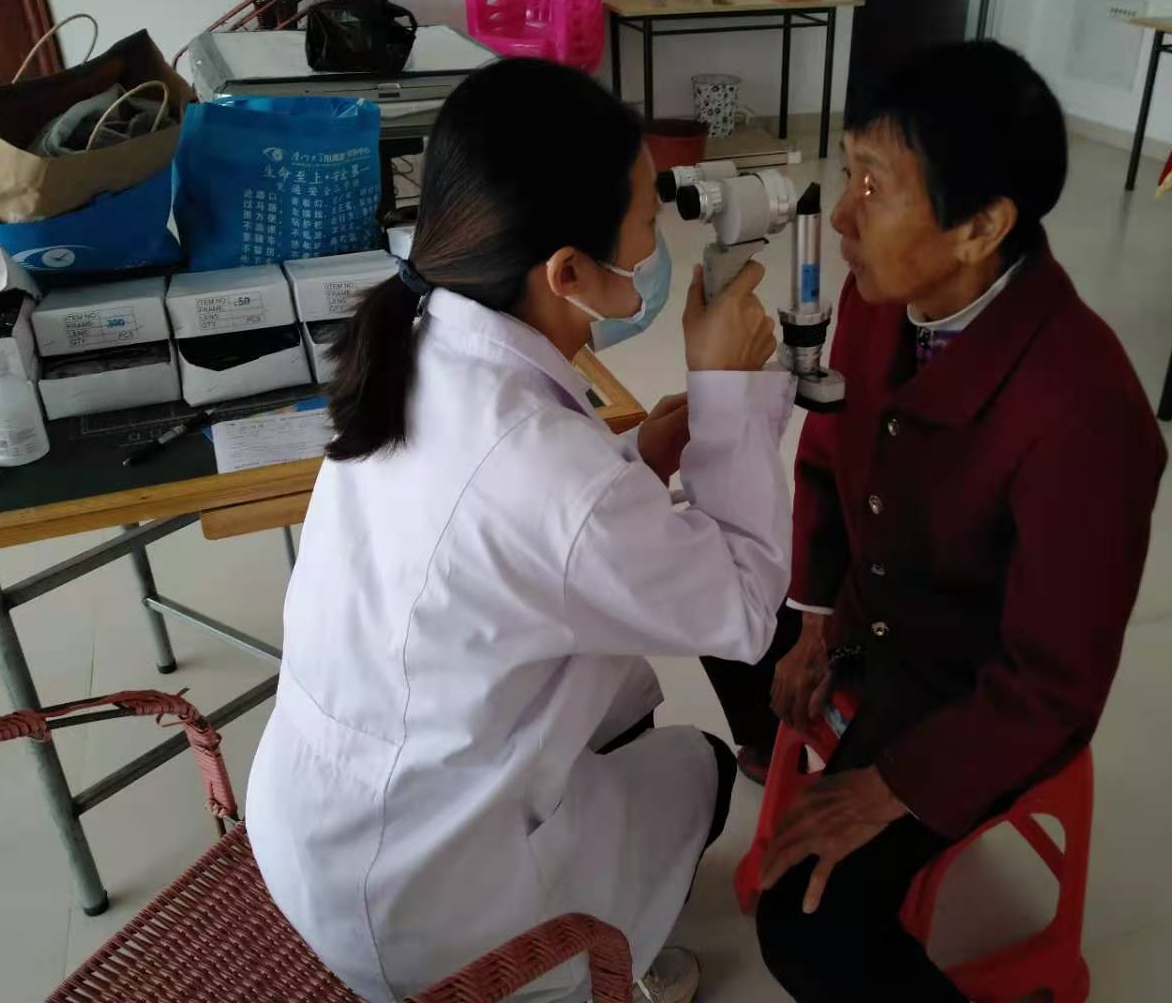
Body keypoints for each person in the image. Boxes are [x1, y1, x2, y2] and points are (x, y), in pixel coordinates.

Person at [245, 58, 795, 1003]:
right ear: (568, 271)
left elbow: (499, 522)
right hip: (423, 919)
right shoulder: (550, 473)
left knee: (618, 703)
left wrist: (640, 456)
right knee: (697, 768)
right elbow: (743, 609)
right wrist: (730, 396)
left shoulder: (421, 334)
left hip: (316, 828)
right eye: (644, 225)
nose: (655, 245)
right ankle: (567, 978)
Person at [703, 41, 1167, 1000]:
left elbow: (1052, 685)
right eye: (848, 171)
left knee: (807, 928)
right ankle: (779, 739)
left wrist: (889, 786)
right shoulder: (884, 299)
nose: (841, 215)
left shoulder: (1085, 411)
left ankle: (839, 770)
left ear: (980, 227)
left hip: (966, 692)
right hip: (867, 620)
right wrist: (815, 618)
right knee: (705, 589)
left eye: (875, 186)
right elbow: (826, 458)